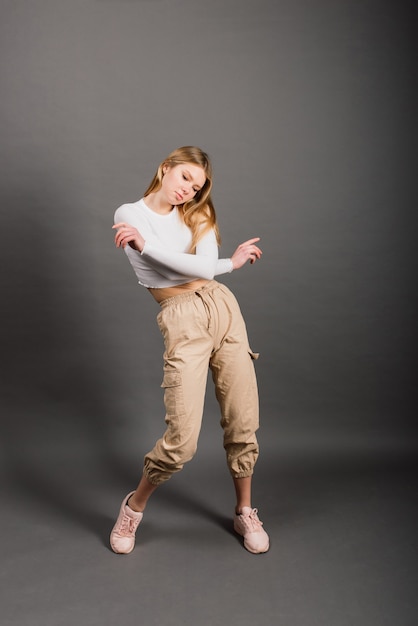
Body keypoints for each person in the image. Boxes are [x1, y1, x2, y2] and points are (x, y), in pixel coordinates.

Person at [110, 146, 269, 555]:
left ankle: (245, 511)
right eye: (184, 178)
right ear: (166, 168)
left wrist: (221, 264)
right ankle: (133, 506)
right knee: (182, 439)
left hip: (223, 308)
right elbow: (168, 272)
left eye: (196, 186)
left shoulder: (197, 213)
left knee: (242, 417)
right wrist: (222, 261)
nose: (188, 190)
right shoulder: (129, 215)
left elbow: (200, 269)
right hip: (181, 317)